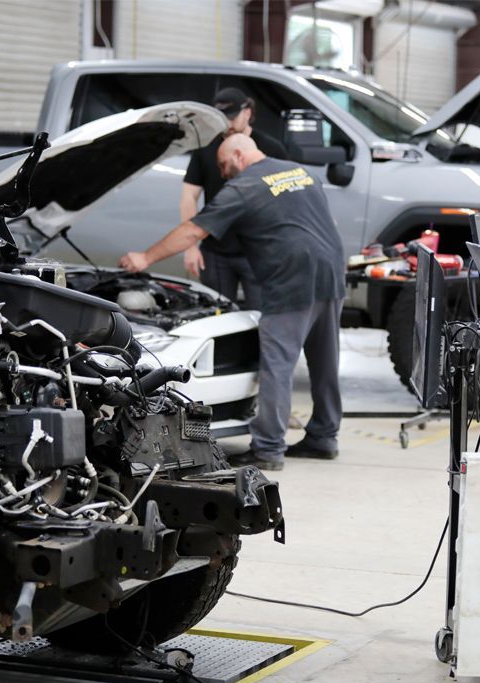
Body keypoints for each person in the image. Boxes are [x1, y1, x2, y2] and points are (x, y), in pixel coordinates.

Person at [122, 134, 345, 471]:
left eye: (224, 166)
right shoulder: (301, 172)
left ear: (239, 155)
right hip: (331, 271)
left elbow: (193, 231)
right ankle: (325, 437)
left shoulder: (244, 187)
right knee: (325, 360)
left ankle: (268, 448)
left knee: (277, 366)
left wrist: (145, 257)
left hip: (291, 279)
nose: (224, 174)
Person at [180, 88, 288, 308]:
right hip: (216, 251)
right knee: (217, 314)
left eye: (232, 117)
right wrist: (190, 247)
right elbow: (189, 196)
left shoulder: (271, 148)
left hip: (259, 251)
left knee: (261, 315)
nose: (227, 124)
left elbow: (286, 198)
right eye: (221, 118)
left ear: (247, 113)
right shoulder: (206, 147)